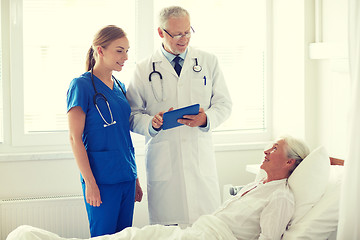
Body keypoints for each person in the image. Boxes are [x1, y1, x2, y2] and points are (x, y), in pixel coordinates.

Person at [7, 136, 310, 240]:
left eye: (275, 148)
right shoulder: (258, 184)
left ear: (291, 163)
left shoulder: (280, 196)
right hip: (192, 232)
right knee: (131, 235)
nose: (267, 150)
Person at [126, 6, 232, 226]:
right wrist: (152, 123)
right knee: (168, 230)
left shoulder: (207, 61)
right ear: (160, 32)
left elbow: (223, 104)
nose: (184, 39)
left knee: (206, 228)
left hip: (199, 158)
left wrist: (206, 119)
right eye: (177, 34)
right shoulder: (144, 68)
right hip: (165, 161)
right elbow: (132, 114)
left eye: (188, 31)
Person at [66, 25, 143, 237]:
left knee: (124, 236)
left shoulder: (119, 86)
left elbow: (123, 137)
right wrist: (90, 182)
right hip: (101, 179)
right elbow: (74, 139)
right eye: (119, 50)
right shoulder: (81, 86)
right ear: (100, 50)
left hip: (126, 177)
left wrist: (134, 177)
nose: (125, 57)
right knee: (103, 235)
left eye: (127, 50)